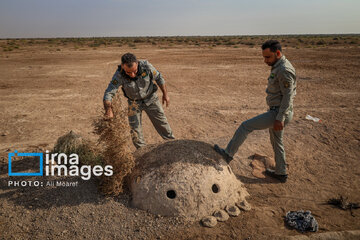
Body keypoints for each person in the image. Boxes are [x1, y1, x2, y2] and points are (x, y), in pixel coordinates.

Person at [214, 40, 296, 183]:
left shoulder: (284, 69)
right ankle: (281, 173)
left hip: (278, 114)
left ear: (277, 53)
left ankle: (227, 155)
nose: (265, 61)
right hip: (278, 112)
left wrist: (279, 118)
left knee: (245, 126)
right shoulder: (278, 65)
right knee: (277, 141)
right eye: (264, 57)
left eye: (268, 57)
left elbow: (288, 97)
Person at [103, 53, 175, 148]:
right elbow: (108, 93)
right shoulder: (119, 74)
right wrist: (108, 110)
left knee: (162, 123)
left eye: (134, 71)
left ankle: (173, 145)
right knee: (135, 130)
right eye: (128, 72)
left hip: (151, 99)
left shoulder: (146, 66)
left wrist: (165, 94)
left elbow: (159, 78)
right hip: (134, 103)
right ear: (123, 67)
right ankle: (141, 152)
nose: (132, 75)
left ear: (137, 63)